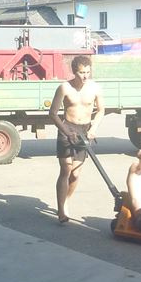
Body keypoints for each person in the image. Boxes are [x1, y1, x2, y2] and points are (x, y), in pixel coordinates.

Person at [49, 55, 103, 224]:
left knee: (75, 173)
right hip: (67, 128)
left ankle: (66, 200)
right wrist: (66, 131)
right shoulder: (64, 88)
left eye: (87, 72)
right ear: (74, 72)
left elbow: (101, 110)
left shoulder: (95, 88)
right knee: (66, 169)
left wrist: (93, 129)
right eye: (81, 72)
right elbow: (53, 113)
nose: (85, 76)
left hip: (84, 130)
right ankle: (61, 210)